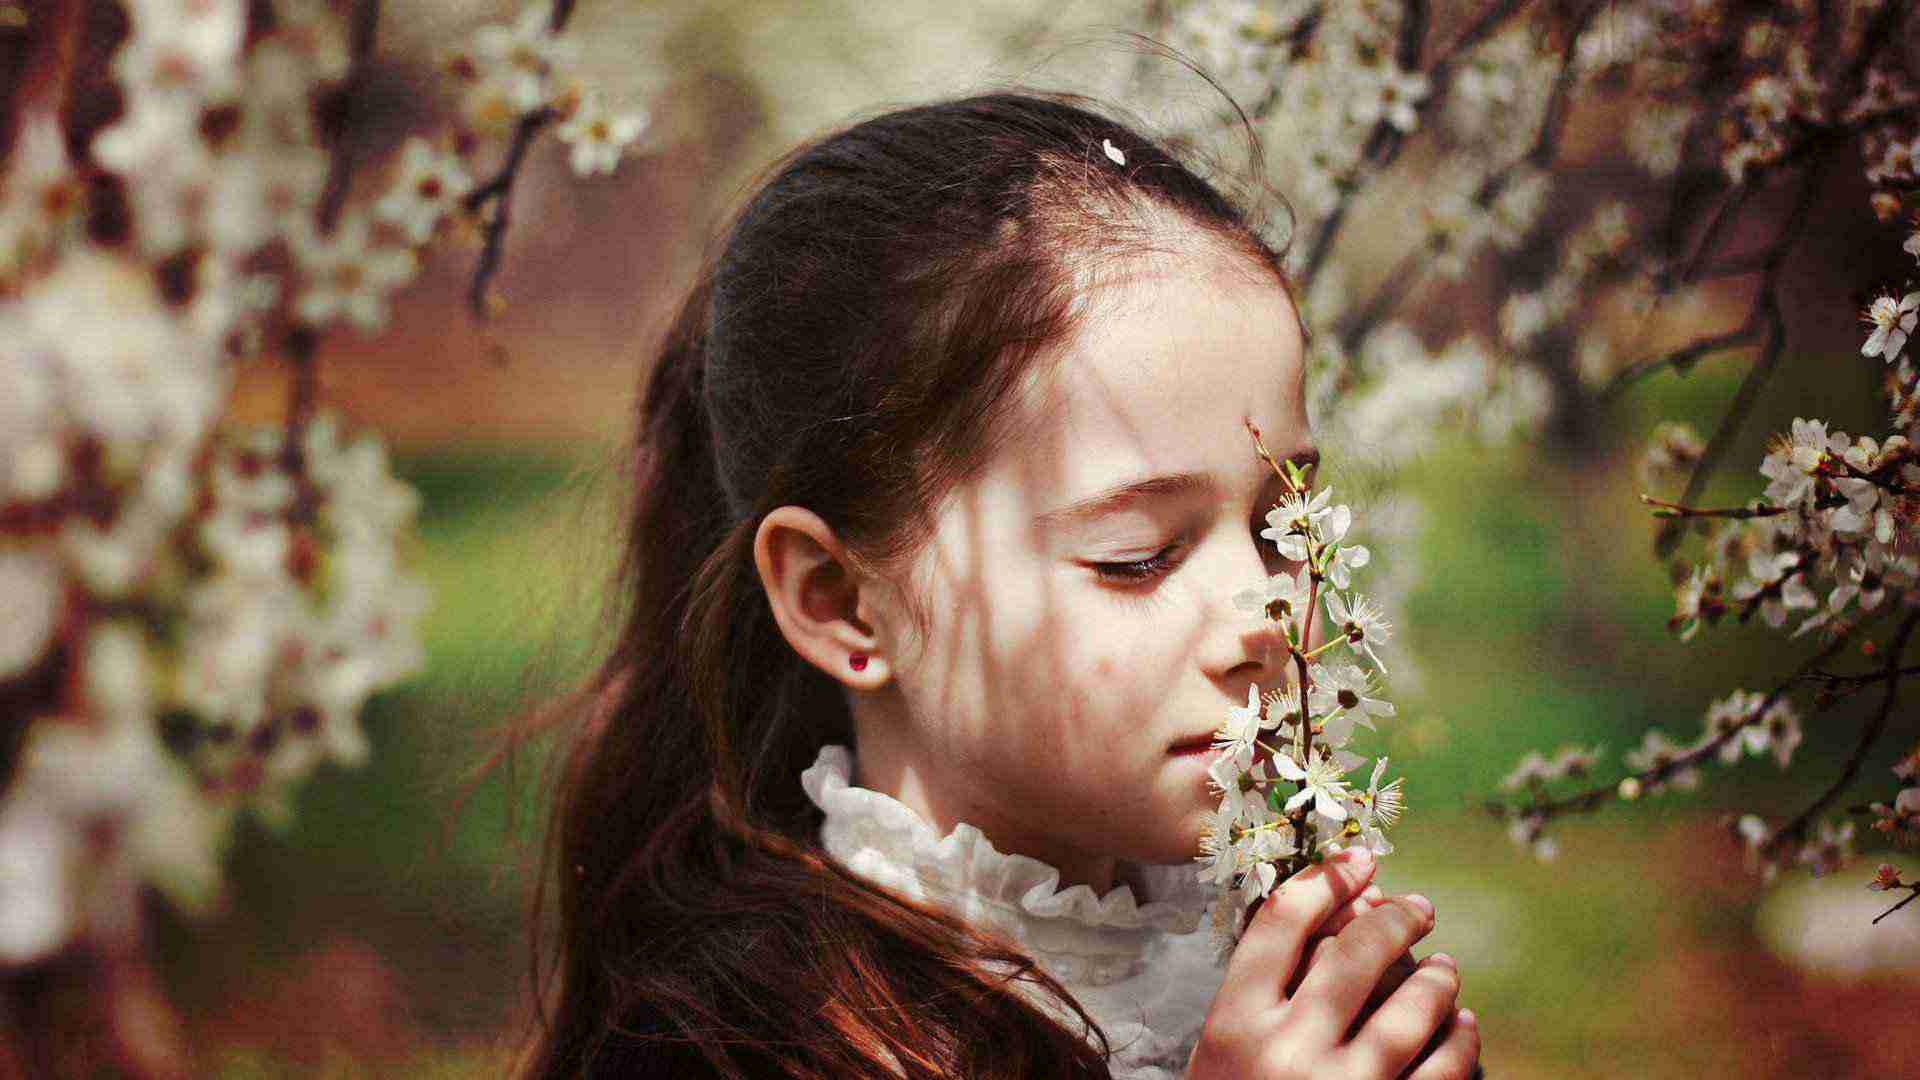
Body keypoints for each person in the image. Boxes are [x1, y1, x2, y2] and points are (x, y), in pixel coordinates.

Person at [514, 85, 1480, 1079]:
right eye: (1138, 554)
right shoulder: (730, 1048)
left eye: (1281, 528)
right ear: (841, 601)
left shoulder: (1267, 978)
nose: (1267, 616)